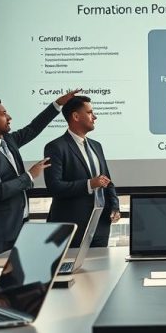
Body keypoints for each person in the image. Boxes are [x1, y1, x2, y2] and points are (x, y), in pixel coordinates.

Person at [0, 90, 78, 261]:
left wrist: (57, 104)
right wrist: (29, 176)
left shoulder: (8, 141)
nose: (9, 117)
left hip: (17, 228)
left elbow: (33, 128)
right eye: (3, 114)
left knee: (14, 282)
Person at [44, 95, 120, 248]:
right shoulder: (55, 147)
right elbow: (55, 187)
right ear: (76, 116)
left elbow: (107, 181)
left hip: (101, 225)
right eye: (90, 112)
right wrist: (89, 184)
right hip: (72, 227)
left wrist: (114, 206)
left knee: (100, 271)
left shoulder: (96, 146)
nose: (95, 117)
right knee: (72, 271)